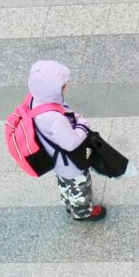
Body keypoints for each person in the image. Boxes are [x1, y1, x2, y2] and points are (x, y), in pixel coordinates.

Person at [27, 60, 106, 221]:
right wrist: (83, 125)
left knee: (64, 182)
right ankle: (82, 212)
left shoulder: (34, 99)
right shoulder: (54, 119)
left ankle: (68, 202)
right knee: (80, 186)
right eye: (62, 85)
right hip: (70, 162)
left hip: (54, 157)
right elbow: (70, 143)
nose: (66, 87)